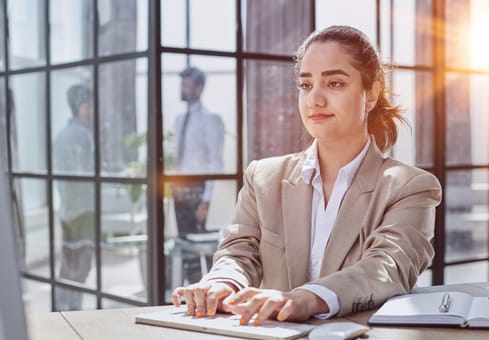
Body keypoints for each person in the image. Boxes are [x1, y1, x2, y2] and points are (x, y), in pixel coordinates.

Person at [172, 25, 442, 324]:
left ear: (371, 93)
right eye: (305, 85)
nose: (315, 99)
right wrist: (223, 283)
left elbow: (388, 266)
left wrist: (305, 298)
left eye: (335, 84)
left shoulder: (410, 187)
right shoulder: (263, 177)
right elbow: (239, 251)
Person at [53, 84, 94, 311]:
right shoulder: (79, 136)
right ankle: (69, 311)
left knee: (70, 264)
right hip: (81, 211)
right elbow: (82, 177)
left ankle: (63, 310)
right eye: (89, 104)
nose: (93, 109)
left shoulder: (65, 135)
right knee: (79, 265)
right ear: (80, 106)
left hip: (70, 210)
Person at [172, 66, 225, 235]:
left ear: (199, 88)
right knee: (184, 240)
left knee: (198, 241)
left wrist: (206, 200)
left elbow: (215, 161)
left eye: (187, 85)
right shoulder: (179, 119)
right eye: (182, 85)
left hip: (198, 188)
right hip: (179, 187)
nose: (183, 90)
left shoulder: (210, 118)